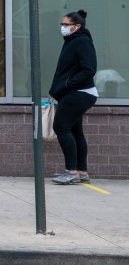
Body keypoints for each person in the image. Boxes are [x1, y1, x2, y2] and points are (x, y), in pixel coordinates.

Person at [49, 9, 98, 185]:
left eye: (66, 25)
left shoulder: (82, 41)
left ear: (77, 26)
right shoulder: (72, 41)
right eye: (62, 24)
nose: (62, 27)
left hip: (79, 93)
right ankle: (82, 171)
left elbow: (89, 69)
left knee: (61, 127)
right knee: (75, 131)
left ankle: (71, 171)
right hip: (76, 93)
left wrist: (68, 85)